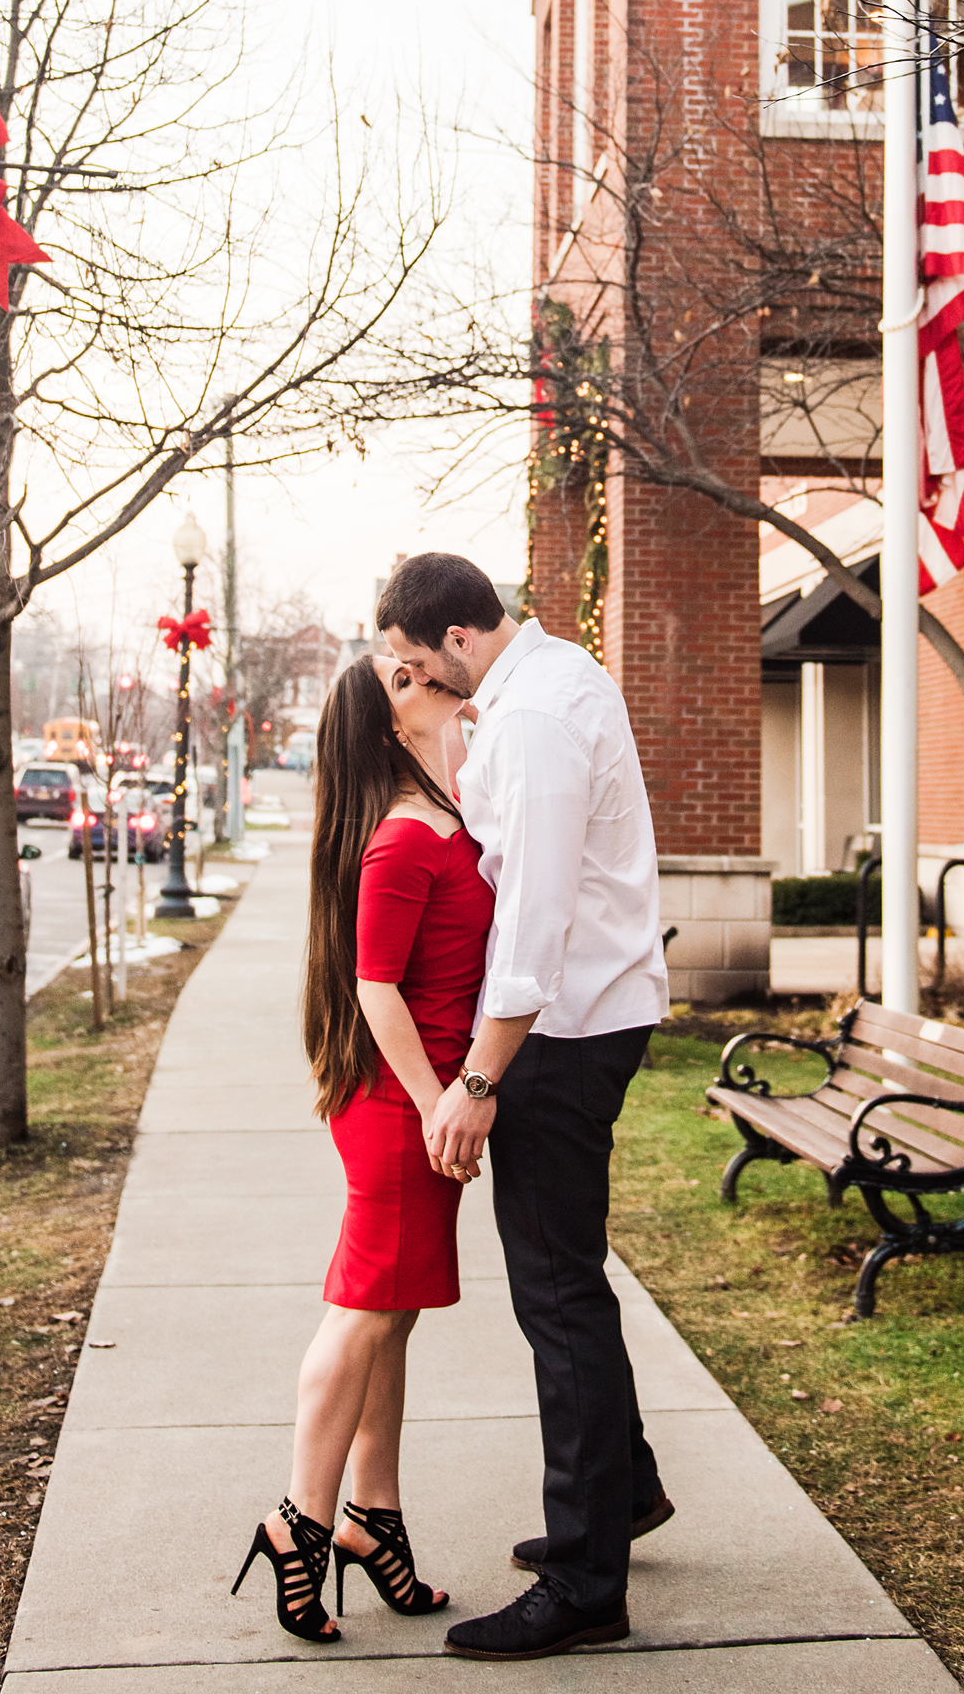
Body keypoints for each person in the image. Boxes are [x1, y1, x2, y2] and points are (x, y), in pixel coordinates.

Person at [377, 551, 673, 1664]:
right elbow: (502, 836)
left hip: (564, 1032)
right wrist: (432, 725)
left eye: (414, 662)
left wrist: (479, 1080)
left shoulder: (540, 716)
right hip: (588, 1014)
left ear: (456, 639)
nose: (411, 681)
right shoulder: (535, 688)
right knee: (569, 1280)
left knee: (557, 1296)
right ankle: (624, 1490)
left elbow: (534, 921)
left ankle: (587, 1577)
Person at [232, 652, 494, 1644]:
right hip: (400, 1107)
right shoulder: (398, 839)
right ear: (391, 714)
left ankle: (371, 1514)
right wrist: (440, 1104)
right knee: (357, 1317)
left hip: (412, 1103)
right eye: (414, 678)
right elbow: (375, 986)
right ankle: (297, 1517)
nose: (437, 678)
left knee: (392, 1318)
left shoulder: (442, 803)